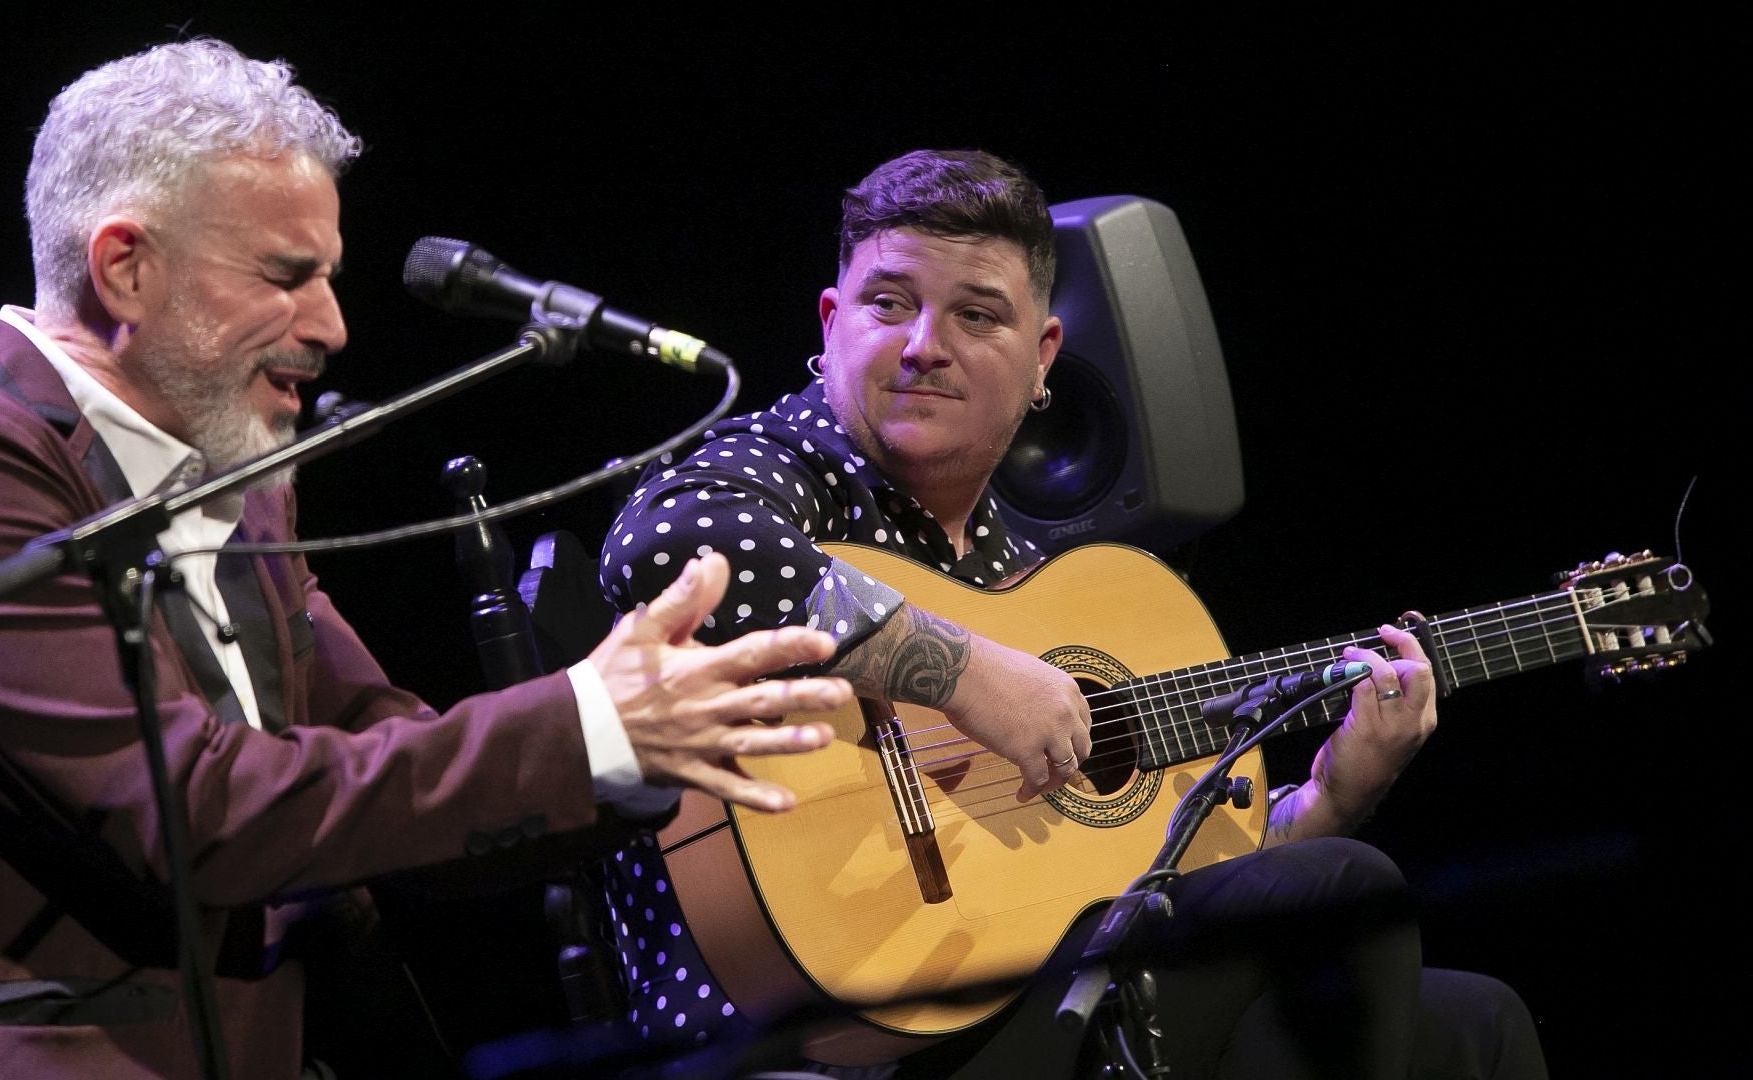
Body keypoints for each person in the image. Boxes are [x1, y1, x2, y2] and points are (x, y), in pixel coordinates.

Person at [0, 37, 855, 1080]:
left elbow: (383, 757)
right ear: (125, 268)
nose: (332, 324)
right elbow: (199, 814)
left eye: (327, 276)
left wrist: (647, 743)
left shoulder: (243, 476)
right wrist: (586, 720)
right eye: (287, 276)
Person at [599, 149, 1549, 1078]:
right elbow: (667, 546)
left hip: (1011, 997)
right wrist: (967, 674)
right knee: (1346, 888)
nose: (924, 345)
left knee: (1476, 1021)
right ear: (832, 319)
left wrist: (1330, 798)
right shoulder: (780, 466)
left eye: (977, 315)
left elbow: (1127, 880)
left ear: (1043, 356)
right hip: (815, 1039)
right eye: (888, 303)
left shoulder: (1023, 570)